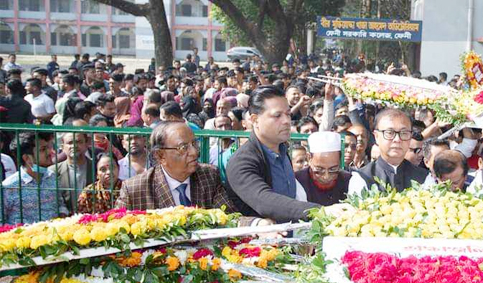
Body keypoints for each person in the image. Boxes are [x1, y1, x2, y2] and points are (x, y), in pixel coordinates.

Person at [115, 122, 254, 225]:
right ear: (160, 156)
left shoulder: (208, 175)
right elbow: (116, 230)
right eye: (183, 147)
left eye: (195, 144)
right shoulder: (135, 189)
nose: (194, 152)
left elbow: (229, 217)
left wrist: (256, 224)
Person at [225, 86, 322, 222]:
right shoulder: (242, 161)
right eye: (277, 116)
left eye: (288, 114)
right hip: (257, 241)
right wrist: (319, 211)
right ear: (255, 120)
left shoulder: (283, 151)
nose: (286, 121)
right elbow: (265, 201)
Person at [355, 108, 428, 192]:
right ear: (376, 136)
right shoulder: (362, 178)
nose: (397, 139)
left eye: (404, 133)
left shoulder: (425, 178)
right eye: (390, 133)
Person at [2, 132, 67, 224]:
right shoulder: (9, 187)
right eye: (43, 149)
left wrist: (63, 216)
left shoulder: (51, 176)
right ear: (27, 158)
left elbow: (60, 204)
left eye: (48, 148)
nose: (49, 152)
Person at [296, 131, 368, 206]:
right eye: (319, 170)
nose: (326, 177)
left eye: (332, 170)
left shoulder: (352, 181)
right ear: (309, 158)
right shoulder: (297, 182)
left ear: (340, 160)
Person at [49, 132, 95, 214]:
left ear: (86, 144)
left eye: (79, 142)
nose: (74, 146)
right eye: (70, 143)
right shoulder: (53, 171)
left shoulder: (96, 167)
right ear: (62, 147)